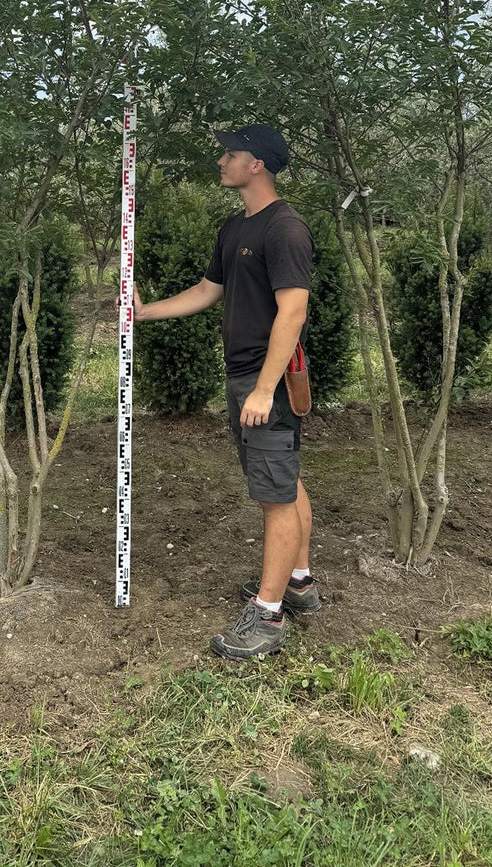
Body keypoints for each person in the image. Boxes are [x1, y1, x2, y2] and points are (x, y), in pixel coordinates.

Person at [133, 125, 319, 661]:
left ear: (256, 164)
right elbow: (207, 290)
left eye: (230, 154)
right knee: (284, 478)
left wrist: (264, 389)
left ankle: (267, 616)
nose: (221, 160)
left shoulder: (284, 229)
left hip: (270, 382)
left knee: (274, 495)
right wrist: (146, 312)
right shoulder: (235, 225)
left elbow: (294, 310)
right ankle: (300, 584)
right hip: (247, 379)